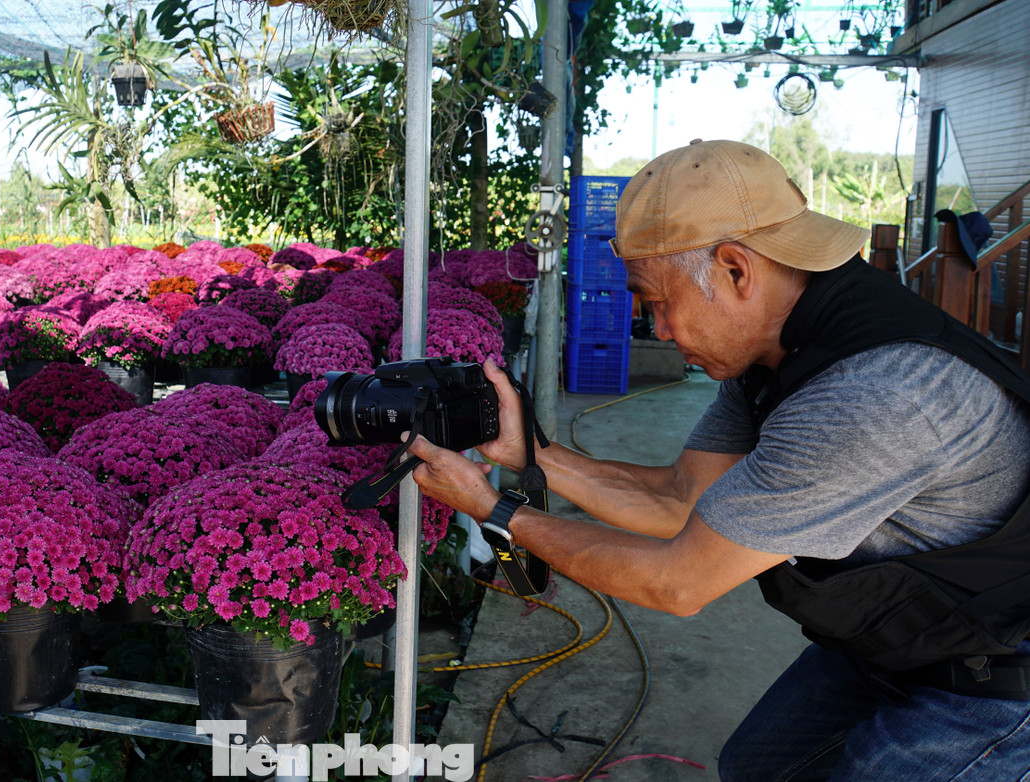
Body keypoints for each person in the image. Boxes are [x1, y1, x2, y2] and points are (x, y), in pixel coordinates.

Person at [405, 139, 1030, 780]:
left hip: (992, 676)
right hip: (902, 640)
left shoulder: (874, 395)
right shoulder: (776, 347)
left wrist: (490, 507)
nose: (661, 330)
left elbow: (679, 582)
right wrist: (533, 456)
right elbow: (684, 498)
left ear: (736, 269)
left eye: (657, 302)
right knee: (756, 767)